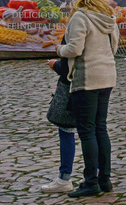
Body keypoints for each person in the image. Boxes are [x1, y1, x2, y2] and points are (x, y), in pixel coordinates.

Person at [57, 0, 118, 199]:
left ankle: (91, 180)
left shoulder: (80, 16)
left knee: (87, 130)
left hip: (87, 78)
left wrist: (58, 49)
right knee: (101, 127)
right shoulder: (108, 15)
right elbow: (114, 45)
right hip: (107, 75)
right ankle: (105, 178)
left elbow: (74, 48)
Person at [41, 57, 78, 194]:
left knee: (66, 128)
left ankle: (64, 177)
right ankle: (100, 176)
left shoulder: (74, 34)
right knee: (97, 129)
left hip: (76, 82)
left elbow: (70, 59)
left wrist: (56, 64)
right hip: (103, 80)